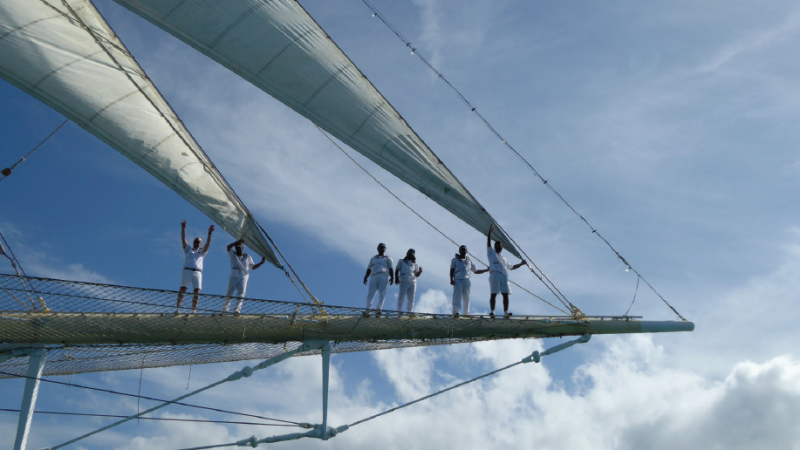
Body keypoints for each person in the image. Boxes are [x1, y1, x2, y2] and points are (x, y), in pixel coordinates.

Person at [486, 224, 527, 318]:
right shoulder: (491, 253)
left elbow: (511, 267)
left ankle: (506, 312)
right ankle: (492, 311)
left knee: (505, 294)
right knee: (493, 294)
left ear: (502, 247)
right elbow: (488, 244)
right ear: (494, 246)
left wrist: (521, 264)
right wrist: (490, 233)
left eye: (499, 245)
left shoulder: (504, 258)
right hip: (495, 275)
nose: (498, 247)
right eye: (496, 245)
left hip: (504, 276)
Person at [177, 220, 214, 313]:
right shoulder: (188, 249)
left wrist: (209, 233)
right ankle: (177, 308)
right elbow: (183, 239)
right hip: (187, 271)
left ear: (200, 244)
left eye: (198, 242)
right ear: (193, 242)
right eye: (195, 241)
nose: (197, 243)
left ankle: (193, 310)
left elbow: (208, 244)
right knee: (183, 289)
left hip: (197, 272)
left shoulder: (202, 252)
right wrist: (183, 228)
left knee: (197, 291)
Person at [222, 239, 266, 314]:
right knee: (229, 293)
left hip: (243, 277)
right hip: (234, 276)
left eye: (239, 247)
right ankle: (225, 310)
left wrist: (261, 263)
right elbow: (228, 247)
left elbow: (253, 267)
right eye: (236, 247)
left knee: (241, 293)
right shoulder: (233, 254)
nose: (238, 249)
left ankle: (237, 310)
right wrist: (236, 242)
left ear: (242, 248)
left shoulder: (247, 257)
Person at [450, 245, 488, 317]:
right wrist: (451, 279)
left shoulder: (469, 260)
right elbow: (451, 270)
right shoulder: (454, 260)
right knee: (457, 296)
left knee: (466, 297)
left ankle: (466, 313)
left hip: (467, 280)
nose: (463, 251)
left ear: (466, 251)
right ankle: (455, 312)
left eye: (465, 250)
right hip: (458, 280)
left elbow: (475, 271)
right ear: (459, 251)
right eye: (462, 249)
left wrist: (486, 270)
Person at [363, 243, 394, 316]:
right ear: (377, 249)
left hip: (384, 275)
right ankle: (368, 310)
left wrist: (392, 277)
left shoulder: (388, 258)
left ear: (385, 249)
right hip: (374, 276)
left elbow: (391, 268)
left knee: (382, 293)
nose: (382, 249)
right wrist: (366, 276)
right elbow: (369, 268)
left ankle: (378, 310)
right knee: (371, 293)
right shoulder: (373, 258)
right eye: (380, 247)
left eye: (383, 248)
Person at [395, 249, 422, 314]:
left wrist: (420, 271)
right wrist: (396, 278)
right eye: (409, 254)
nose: (410, 256)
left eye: (411, 255)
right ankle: (399, 311)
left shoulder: (415, 264)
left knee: (411, 299)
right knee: (401, 297)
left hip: (412, 283)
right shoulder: (401, 261)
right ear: (407, 253)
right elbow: (397, 270)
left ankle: (409, 313)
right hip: (403, 281)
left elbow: (416, 274)